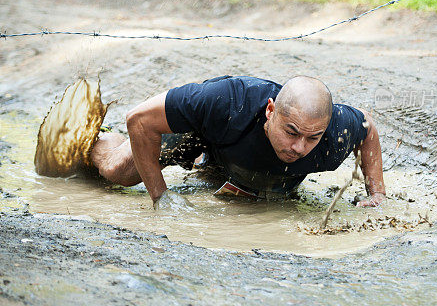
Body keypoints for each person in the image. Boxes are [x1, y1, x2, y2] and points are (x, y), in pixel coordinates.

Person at [90, 75, 386, 208]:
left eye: (312, 138)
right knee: (120, 172)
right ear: (270, 111)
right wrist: (161, 197)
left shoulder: (336, 134)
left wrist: (377, 194)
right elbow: (139, 118)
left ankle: (210, 168)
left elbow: (368, 126)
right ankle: (96, 140)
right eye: (292, 132)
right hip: (204, 135)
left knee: (266, 198)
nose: (299, 147)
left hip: (238, 162)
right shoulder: (227, 101)